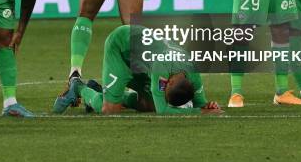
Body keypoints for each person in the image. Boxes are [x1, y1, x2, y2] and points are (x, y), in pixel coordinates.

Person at [53, 25, 222, 115]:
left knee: (149, 105)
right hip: (121, 49)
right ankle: (79, 87)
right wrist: (200, 112)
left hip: (142, 59)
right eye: (164, 89)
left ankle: (105, 92)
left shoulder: (194, 73)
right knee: (110, 110)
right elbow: (164, 111)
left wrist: (209, 106)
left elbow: (200, 104)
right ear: (168, 81)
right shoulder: (160, 68)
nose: (162, 90)